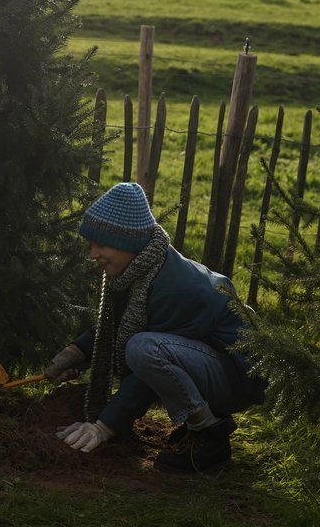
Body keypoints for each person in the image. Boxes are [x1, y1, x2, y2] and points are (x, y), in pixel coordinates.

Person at [46, 182, 265, 474]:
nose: (93, 254)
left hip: (240, 377)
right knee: (144, 345)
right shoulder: (141, 270)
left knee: (143, 348)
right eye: (91, 244)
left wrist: (104, 426)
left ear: (128, 243)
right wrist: (77, 351)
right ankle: (201, 425)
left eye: (101, 244)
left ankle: (210, 439)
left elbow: (146, 371)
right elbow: (119, 327)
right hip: (211, 362)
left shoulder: (173, 289)